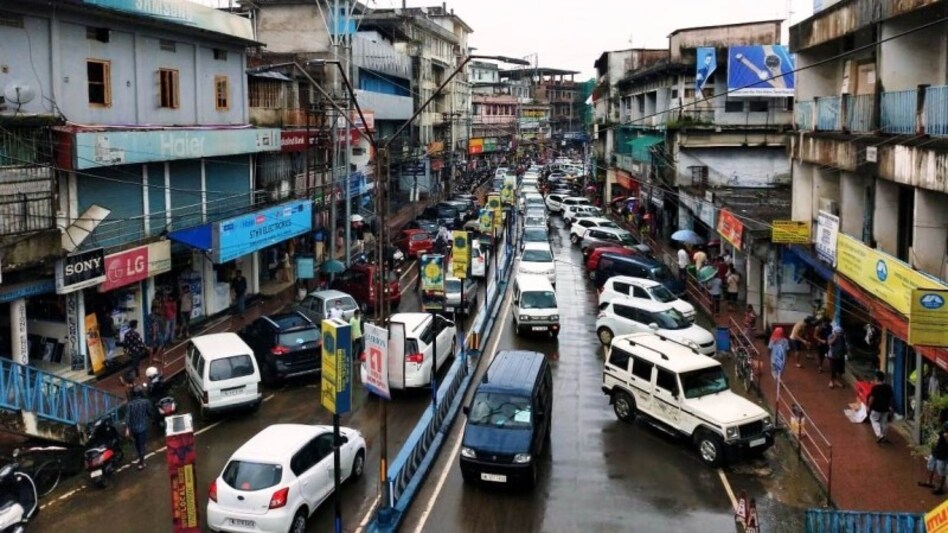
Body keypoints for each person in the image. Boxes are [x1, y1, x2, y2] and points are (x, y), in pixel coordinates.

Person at [124, 386, 154, 470]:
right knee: (142, 444)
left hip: (134, 428)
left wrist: (127, 428)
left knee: (137, 444)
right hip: (143, 427)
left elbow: (127, 417)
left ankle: (140, 456)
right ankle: (141, 462)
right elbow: (150, 413)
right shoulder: (146, 402)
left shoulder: (129, 404)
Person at [919, 422, 948, 496]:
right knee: (930, 467)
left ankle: (940, 488)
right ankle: (929, 482)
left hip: (942, 455)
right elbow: (936, 439)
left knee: (941, 471)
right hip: (935, 452)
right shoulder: (941, 432)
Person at [867, 371, 894, 444]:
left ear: (877, 379)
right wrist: (890, 406)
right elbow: (891, 398)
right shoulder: (888, 387)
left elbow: (871, 398)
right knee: (884, 422)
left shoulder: (875, 388)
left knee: (873, 420)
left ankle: (879, 435)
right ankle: (884, 436)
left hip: (876, 408)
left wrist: (868, 407)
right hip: (885, 408)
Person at [827, 324, 848, 389]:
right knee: (833, 370)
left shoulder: (842, 337)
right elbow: (829, 342)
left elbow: (844, 345)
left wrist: (845, 353)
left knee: (840, 370)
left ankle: (837, 380)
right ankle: (831, 381)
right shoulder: (831, 336)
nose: (840, 334)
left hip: (841, 356)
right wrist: (835, 336)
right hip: (833, 356)